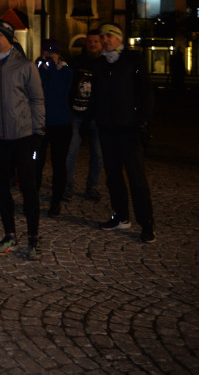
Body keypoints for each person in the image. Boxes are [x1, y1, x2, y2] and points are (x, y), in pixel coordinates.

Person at [0, 19, 45, 259]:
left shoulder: (25, 66)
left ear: (9, 38)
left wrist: (38, 132)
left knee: (29, 189)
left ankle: (33, 238)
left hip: (23, 137)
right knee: (2, 189)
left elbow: (37, 99)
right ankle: (10, 235)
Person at [92, 24, 156, 242]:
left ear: (119, 38)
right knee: (113, 177)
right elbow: (97, 94)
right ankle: (121, 217)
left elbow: (145, 91)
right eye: (102, 37)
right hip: (107, 128)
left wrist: (143, 120)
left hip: (129, 129)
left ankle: (146, 224)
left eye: (109, 36)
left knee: (136, 178)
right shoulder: (100, 63)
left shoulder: (133, 61)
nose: (105, 39)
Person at [35, 38, 73, 217]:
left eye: (53, 52)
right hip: (40, 124)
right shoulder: (38, 68)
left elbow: (61, 91)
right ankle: (32, 197)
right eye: (46, 51)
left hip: (60, 124)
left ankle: (56, 201)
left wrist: (54, 68)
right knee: (36, 163)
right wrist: (43, 67)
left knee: (59, 164)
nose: (49, 55)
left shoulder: (65, 70)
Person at [66, 30, 104, 200]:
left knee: (98, 154)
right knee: (71, 151)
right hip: (76, 114)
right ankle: (67, 186)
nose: (92, 44)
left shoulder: (105, 64)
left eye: (96, 41)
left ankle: (92, 186)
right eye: (89, 41)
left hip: (97, 117)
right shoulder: (75, 62)